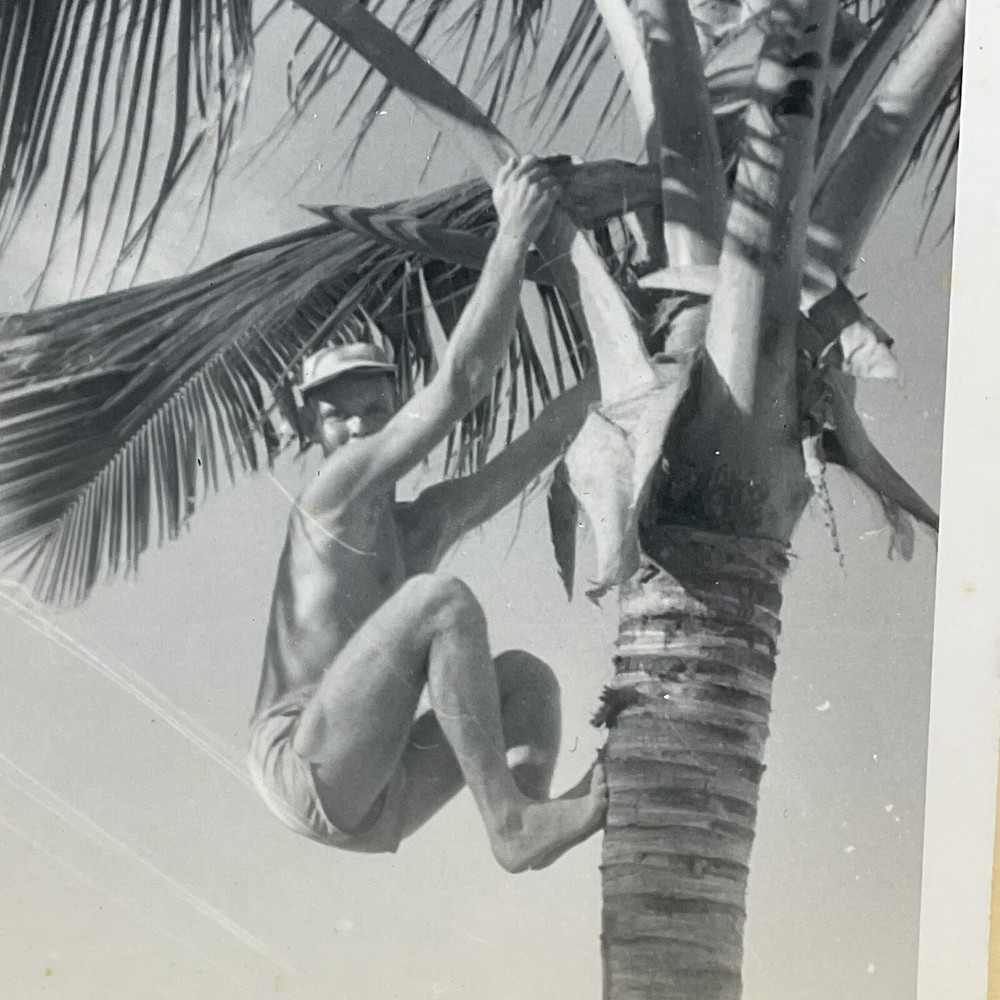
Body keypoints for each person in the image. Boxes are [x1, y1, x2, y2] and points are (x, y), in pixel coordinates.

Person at [247, 155, 607, 872]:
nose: (357, 429)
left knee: (527, 681)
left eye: (372, 409)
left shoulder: (421, 525)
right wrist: (512, 237)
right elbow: (463, 383)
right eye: (336, 417)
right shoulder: (331, 494)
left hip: (377, 791)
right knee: (438, 601)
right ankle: (510, 823)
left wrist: (624, 364)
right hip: (303, 758)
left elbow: (534, 448)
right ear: (314, 431)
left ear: (389, 405)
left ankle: (525, 819)